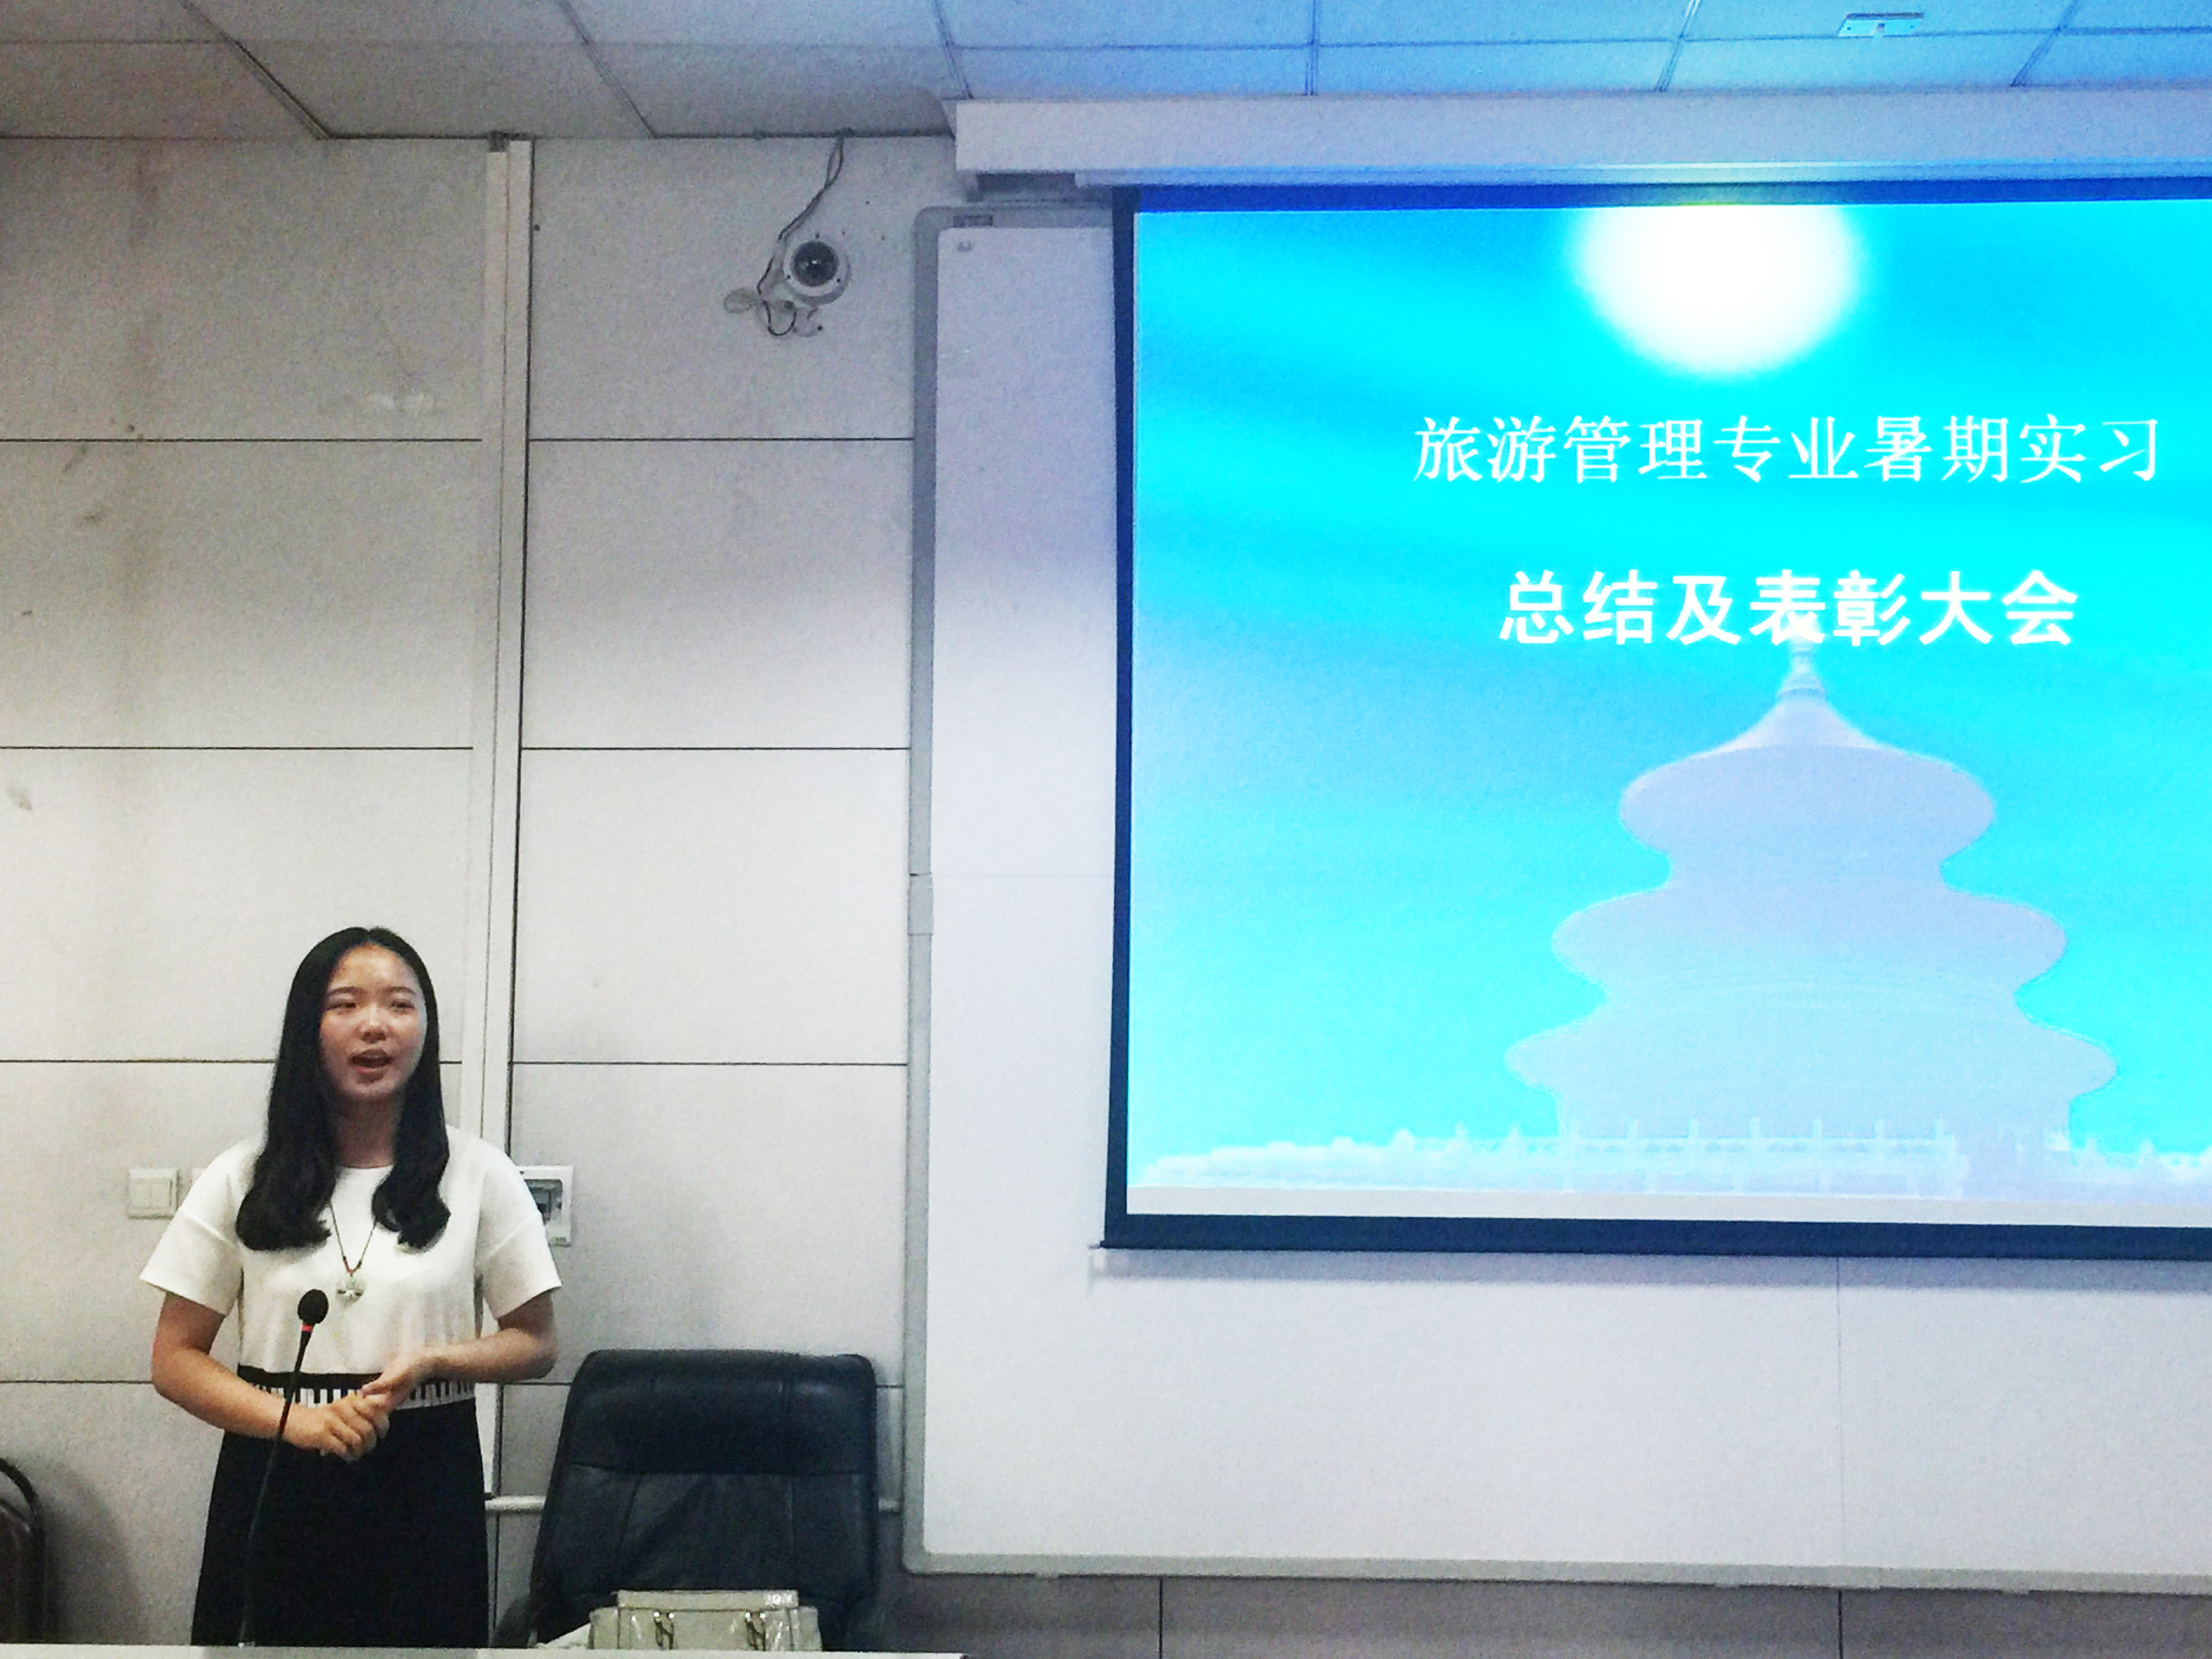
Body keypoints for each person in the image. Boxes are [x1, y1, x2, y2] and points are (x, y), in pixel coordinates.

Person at [142, 926, 560, 1646]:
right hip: (275, 1468)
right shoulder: (242, 1175)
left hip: (425, 1470)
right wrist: (296, 1422)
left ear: (425, 1029)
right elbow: (174, 1359)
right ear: (308, 1028)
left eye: (399, 1005)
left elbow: (537, 1342)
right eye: (345, 1005)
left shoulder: (480, 1173)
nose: (375, 1025)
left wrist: (437, 1360)